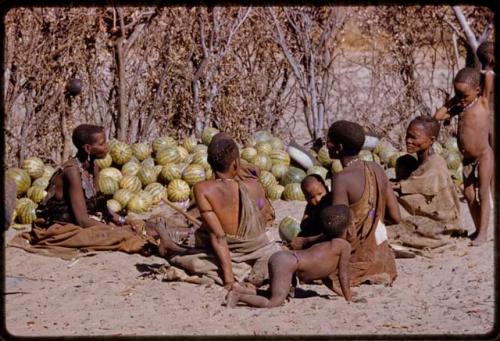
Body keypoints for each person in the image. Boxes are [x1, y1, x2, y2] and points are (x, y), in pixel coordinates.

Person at [9, 124, 154, 259]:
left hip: (80, 221)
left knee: (139, 226)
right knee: (114, 236)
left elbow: (99, 204)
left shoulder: (93, 167)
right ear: (88, 148)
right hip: (60, 227)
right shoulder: (72, 172)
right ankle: (142, 245)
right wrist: (115, 230)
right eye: (102, 143)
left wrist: (122, 221)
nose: (107, 147)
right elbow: (82, 220)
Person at [155, 136, 281, 288]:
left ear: (209, 163)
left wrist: (229, 280)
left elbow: (218, 237)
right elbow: (263, 219)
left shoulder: (203, 189)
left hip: (231, 253)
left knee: (190, 253)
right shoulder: (253, 186)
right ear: (236, 163)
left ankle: (171, 244)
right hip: (260, 248)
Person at [226, 205, 352, 308]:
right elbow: (343, 275)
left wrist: (339, 293)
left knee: (274, 293)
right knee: (274, 302)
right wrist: (349, 298)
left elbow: (325, 277)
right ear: (349, 229)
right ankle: (239, 297)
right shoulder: (344, 246)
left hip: (285, 258)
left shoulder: (324, 242)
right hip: (288, 263)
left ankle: (240, 290)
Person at [327, 120, 400, 287]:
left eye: (328, 142)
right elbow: (396, 216)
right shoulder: (376, 168)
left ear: (339, 147)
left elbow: (340, 230)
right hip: (382, 258)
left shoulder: (341, 179)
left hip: (356, 259)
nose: (327, 146)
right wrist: (373, 220)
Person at [434, 67, 494, 245]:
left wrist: (487, 66)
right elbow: (437, 116)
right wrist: (454, 100)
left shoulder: (483, 102)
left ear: (477, 90)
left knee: (483, 192)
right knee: (468, 194)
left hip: (484, 155)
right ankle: (477, 229)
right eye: (457, 94)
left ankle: (483, 233)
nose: (461, 99)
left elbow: (489, 77)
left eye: (464, 95)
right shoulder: (459, 109)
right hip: (467, 159)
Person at [389, 116, 464, 247]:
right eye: (407, 136)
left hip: (439, 221)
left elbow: (420, 186)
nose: (408, 141)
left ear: (431, 140)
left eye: (414, 137)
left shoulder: (436, 164)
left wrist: (392, 188)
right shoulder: (415, 162)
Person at [289, 174, 331, 250]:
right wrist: (312, 217)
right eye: (312, 197)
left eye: (320, 194)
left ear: (326, 188)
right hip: (315, 232)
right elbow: (303, 225)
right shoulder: (310, 206)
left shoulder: (330, 201)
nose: (318, 199)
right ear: (306, 198)